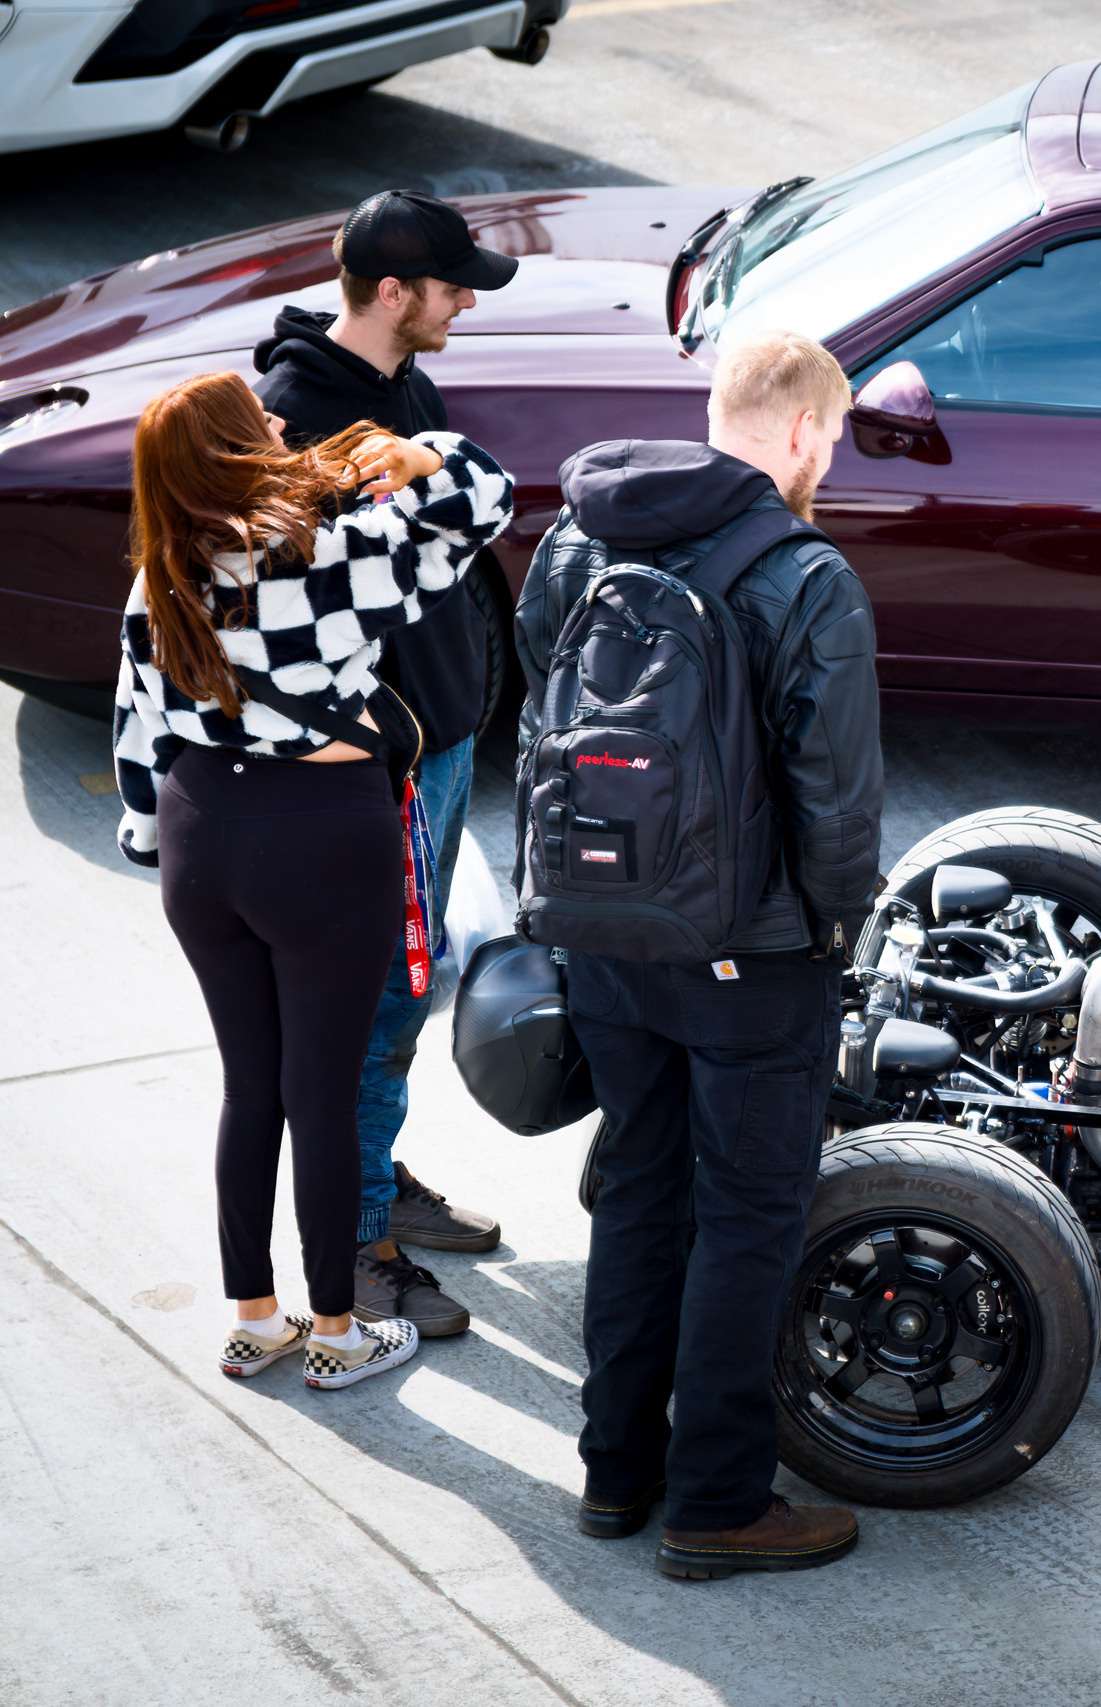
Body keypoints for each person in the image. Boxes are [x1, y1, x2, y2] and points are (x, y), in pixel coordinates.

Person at [514, 329, 884, 1577]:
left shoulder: (580, 538)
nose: (826, 458)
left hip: (607, 933)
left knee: (639, 1187)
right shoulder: (803, 573)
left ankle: (615, 1475)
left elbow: (537, 696)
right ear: (796, 431)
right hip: (753, 954)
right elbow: (834, 794)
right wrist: (837, 931)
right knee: (745, 1218)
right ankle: (719, 1501)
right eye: (827, 436)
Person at [111, 371, 515, 1390]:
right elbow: (483, 503)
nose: (283, 423)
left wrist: (158, 844)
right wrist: (423, 457)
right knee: (324, 1097)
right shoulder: (330, 554)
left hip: (204, 840)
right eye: (262, 420)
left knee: (250, 1091)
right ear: (236, 448)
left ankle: (255, 1319)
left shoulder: (157, 571)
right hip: (324, 841)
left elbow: (137, 737)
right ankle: (337, 1330)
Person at [254, 188, 521, 1338]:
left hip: (442, 742)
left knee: (409, 993)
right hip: (380, 770)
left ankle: (373, 1183)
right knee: (375, 998)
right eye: (452, 285)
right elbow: (277, 620)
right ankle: (352, 1240)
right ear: (394, 291)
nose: (467, 301)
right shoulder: (295, 418)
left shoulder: (401, 386)